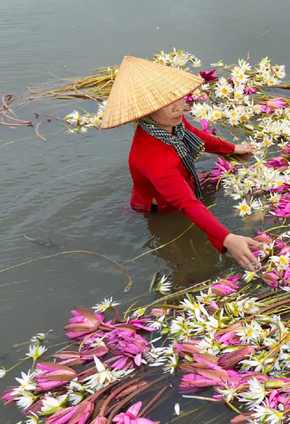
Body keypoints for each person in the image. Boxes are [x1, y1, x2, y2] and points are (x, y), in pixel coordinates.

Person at [100, 56, 262, 271]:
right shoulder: (152, 156)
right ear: (146, 112)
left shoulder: (172, 122)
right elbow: (186, 202)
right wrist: (228, 238)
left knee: (224, 182)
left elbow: (196, 135)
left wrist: (232, 149)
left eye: (177, 98)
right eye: (165, 105)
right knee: (183, 246)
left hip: (183, 181)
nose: (178, 108)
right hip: (163, 205)